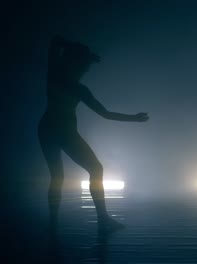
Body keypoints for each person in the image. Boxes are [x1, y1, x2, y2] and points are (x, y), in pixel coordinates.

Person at [38, 35, 149, 233]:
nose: (85, 71)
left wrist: (80, 51)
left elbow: (104, 114)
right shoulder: (71, 84)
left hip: (50, 129)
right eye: (84, 66)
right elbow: (105, 114)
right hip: (58, 131)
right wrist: (134, 118)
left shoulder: (58, 77)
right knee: (87, 171)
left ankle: (57, 223)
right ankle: (99, 220)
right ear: (75, 64)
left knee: (61, 176)